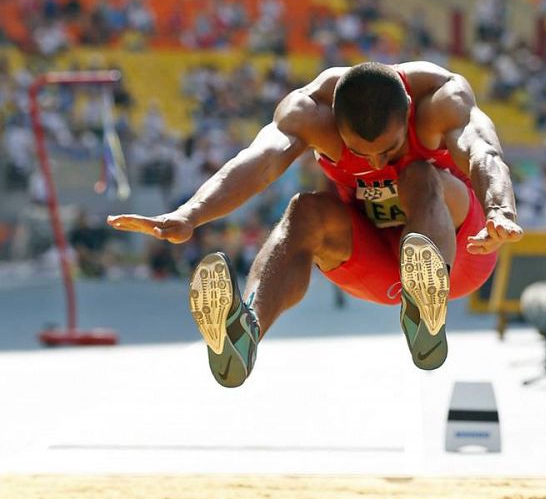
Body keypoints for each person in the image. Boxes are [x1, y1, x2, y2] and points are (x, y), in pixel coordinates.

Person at [108, 61, 523, 386]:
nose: (378, 164)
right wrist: (190, 213)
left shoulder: (441, 98)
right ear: (335, 123)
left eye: (391, 148)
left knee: (418, 174)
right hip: (371, 259)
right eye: (361, 152)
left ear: (409, 114)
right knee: (304, 210)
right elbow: (259, 162)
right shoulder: (310, 111)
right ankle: (245, 333)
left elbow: (484, 152)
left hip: (462, 249)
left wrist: (499, 210)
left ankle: (425, 308)